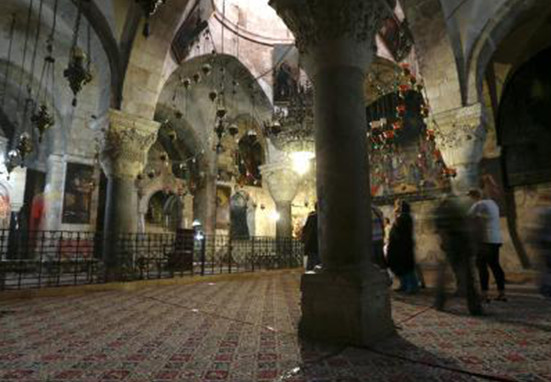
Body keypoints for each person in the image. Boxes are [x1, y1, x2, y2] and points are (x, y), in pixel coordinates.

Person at [433, 194, 483, 315]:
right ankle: (474, 307)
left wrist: (444, 244)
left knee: (446, 276)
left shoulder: (441, 211)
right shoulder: (458, 210)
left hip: (453, 246)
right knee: (467, 277)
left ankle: (439, 301)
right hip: (461, 246)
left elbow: (442, 230)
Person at [467, 189, 506, 302]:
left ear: (474, 196)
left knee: (482, 267)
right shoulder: (493, 203)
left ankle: (484, 294)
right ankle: (502, 293)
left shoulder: (479, 204)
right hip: (496, 239)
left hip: (485, 240)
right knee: (495, 266)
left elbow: (467, 217)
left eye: (470, 197)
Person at [387, 200, 418, 294]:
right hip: (401, 246)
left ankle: (411, 287)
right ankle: (405, 285)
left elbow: (398, 232)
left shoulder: (403, 218)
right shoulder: (404, 217)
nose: (395, 208)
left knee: (406, 267)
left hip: (402, 247)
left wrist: (396, 216)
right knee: (402, 266)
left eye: (397, 206)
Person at [302, 204, 320, 271]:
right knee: (315, 263)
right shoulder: (314, 217)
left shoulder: (311, 217)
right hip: (315, 244)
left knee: (312, 264)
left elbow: (306, 230)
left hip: (312, 245)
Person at [371, 204, 386, 269]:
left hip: (372, 238)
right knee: (380, 257)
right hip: (379, 236)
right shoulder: (375, 208)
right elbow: (383, 221)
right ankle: (384, 272)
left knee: (374, 260)